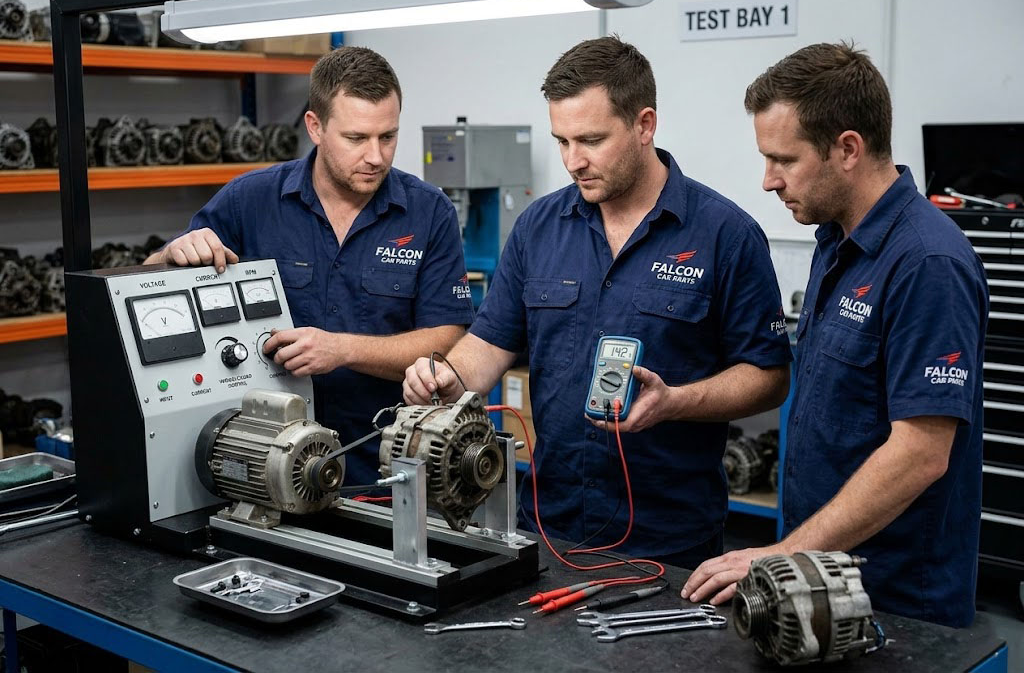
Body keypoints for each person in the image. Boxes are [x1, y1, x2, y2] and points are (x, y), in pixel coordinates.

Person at [402, 36, 791, 568]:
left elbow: (769, 376)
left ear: (644, 125)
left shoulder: (726, 234)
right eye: (561, 141)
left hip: (670, 540)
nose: (572, 161)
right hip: (549, 523)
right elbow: (490, 343)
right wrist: (448, 375)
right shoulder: (538, 228)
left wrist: (677, 401)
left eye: (590, 139)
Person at [681, 42, 988, 628]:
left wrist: (778, 554)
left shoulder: (927, 263)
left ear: (848, 148)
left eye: (784, 159)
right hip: (823, 580)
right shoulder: (836, 243)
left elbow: (920, 454)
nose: (768, 180)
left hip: (896, 601)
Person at [145, 46, 474, 484]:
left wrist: (342, 349)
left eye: (388, 136)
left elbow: (447, 340)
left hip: (382, 465)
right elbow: (145, 288)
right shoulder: (251, 200)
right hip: (263, 459)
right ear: (315, 127)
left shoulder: (429, 212)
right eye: (356, 138)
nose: (376, 156)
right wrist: (171, 255)